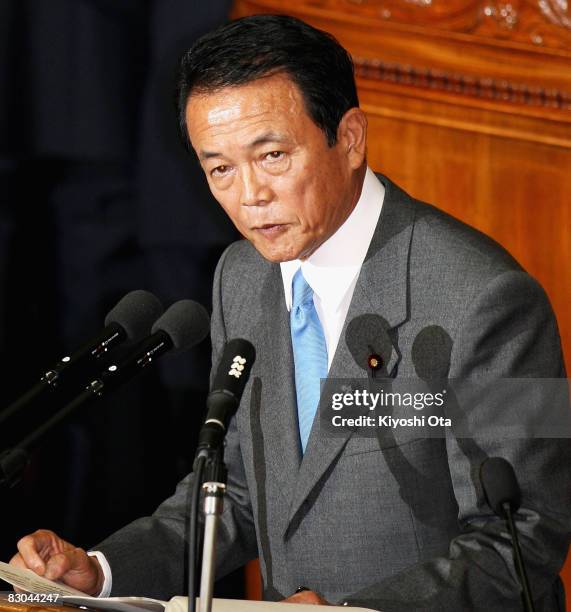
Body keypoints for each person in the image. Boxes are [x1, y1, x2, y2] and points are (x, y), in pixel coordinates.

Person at [10, 14, 571, 610]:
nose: (249, 195)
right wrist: (100, 572)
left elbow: (524, 542)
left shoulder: (493, 299)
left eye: (272, 155)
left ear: (350, 138)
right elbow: (239, 493)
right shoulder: (243, 275)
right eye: (219, 168)